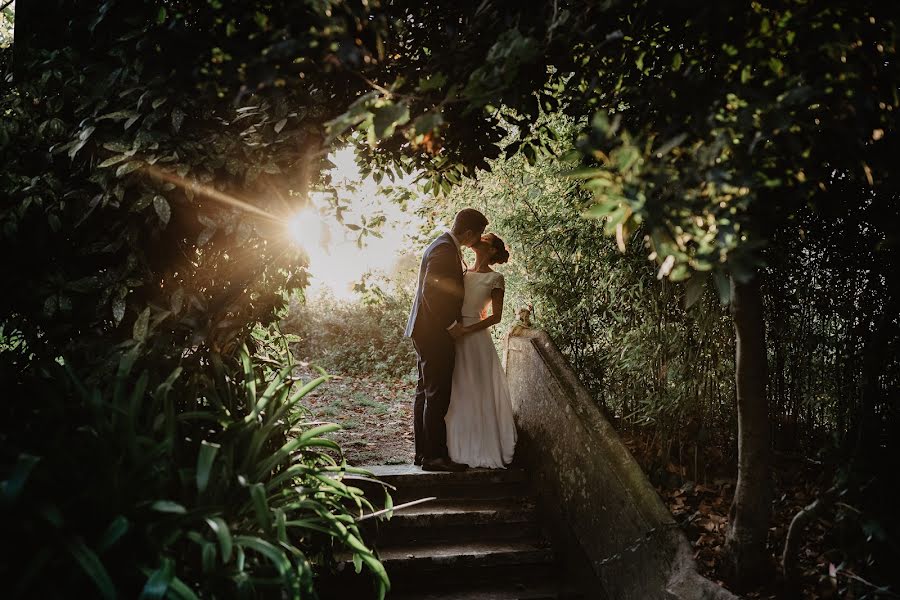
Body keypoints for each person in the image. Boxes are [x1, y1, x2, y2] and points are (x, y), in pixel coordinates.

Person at [404, 208, 488, 472]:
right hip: (434, 331)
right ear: (469, 233)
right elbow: (432, 290)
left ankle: (423, 453)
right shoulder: (443, 250)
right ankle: (434, 457)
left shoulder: (443, 245)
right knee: (437, 393)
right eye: (479, 235)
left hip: (424, 329)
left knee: (425, 390)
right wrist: (451, 325)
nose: (479, 240)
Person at [444, 233, 517, 468]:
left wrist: (467, 330)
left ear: (493, 250)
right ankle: (454, 447)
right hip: (453, 333)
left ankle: (481, 447)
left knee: (477, 389)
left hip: (474, 338)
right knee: (458, 390)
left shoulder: (496, 278)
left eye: (484, 238)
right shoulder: (462, 272)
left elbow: (496, 317)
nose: (478, 239)